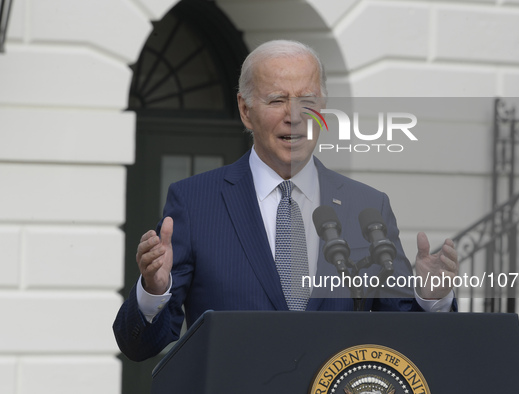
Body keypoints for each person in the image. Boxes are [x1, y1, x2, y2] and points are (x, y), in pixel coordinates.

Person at [113, 40, 459, 362]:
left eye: (307, 100)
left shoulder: (367, 207)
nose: (293, 116)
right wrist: (153, 291)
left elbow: (406, 340)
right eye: (277, 100)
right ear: (245, 110)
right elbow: (139, 345)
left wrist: (431, 299)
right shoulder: (194, 202)